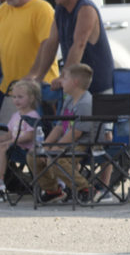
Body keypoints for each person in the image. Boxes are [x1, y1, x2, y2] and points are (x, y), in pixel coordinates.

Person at [24, 0, 114, 96]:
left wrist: (63, 76)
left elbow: (79, 45)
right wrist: (39, 77)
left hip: (97, 84)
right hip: (76, 84)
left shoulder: (86, 9)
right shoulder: (60, 10)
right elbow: (51, 44)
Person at [27, 63, 97, 204]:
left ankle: (85, 188)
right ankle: (53, 190)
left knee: (55, 158)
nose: (61, 82)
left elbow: (76, 133)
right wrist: (46, 146)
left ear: (75, 82)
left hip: (82, 144)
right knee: (33, 155)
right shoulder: (69, 99)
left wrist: (56, 147)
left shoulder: (85, 103)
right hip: (67, 142)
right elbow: (59, 126)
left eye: (64, 78)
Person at [0, 0, 59, 98]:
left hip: (38, 86)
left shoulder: (42, 9)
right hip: (10, 87)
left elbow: (48, 43)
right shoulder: (3, 10)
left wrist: (33, 75)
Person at [0, 79, 43, 202]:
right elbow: (9, 134)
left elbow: (30, 136)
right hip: (15, 147)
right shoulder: (15, 115)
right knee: (2, 146)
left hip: (27, 150)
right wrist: (4, 139)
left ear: (31, 98)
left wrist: (11, 141)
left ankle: (1, 183)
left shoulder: (32, 116)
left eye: (20, 97)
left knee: (2, 148)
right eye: (14, 97)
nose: (16, 100)